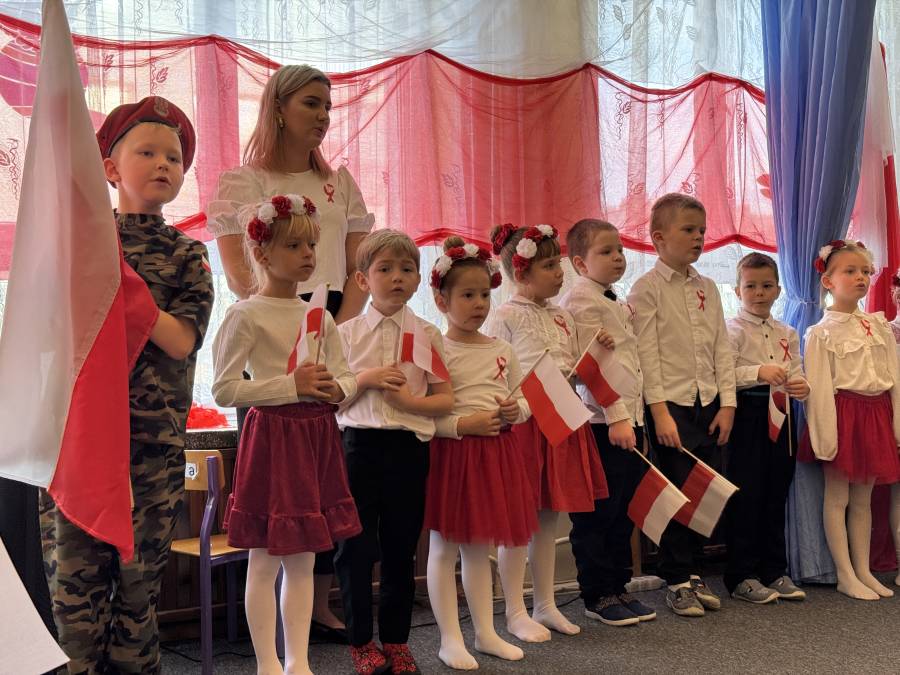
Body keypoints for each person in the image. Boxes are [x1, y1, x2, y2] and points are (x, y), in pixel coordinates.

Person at [39, 96, 214, 673]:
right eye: (147, 152)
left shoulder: (188, 255)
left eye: (174, 157)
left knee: (137, 597)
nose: (164, 163)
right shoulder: (77, 246)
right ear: (110, 169)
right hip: (79, 443)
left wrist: (127, 290)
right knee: (74, 596)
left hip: (150, 447)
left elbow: (182, 340)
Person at [207, 63, 374, 640]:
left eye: (328, 105)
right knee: (276, 489)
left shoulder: (339, 183)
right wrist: (288, 327)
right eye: (311, 103)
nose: (323, 116)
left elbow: (357, 268)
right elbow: (240, 273)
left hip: (329, 326)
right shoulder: (244, 181)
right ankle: (264, 625)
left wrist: (330, 330)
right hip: (271, 335)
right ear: (278, 108)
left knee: (324, 476)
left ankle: (315, 606)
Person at [212, 194, 362, 674]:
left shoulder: (319, 315)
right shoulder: (245, 314)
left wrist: (336, 389)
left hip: (316, 438)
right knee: (264, 558)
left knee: (304, 560)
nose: (307, 255)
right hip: (272, 440)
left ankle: (298, 662)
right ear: (261, 252)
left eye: (311, 245)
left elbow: (343, 377)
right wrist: (289, 386)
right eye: (294, 245)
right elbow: (225, 389)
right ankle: (267, 664)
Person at [334, 229, 454, 675]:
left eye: (407, 269)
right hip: (358, 448)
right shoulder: (344, 335)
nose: (397, 277)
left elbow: (445, 399)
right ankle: (360, 641)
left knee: (402, 547)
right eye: (385, 269)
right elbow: (328, 400)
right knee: (355, 548)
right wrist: (364, 380)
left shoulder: (427, 334)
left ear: (419, 279)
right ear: (363, 279)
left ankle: (397, 641)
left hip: (408, 448)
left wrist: (409, 403)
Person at [485, 223, 608, 641]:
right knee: (520, 520)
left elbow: (570, 368)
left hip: (560, 418)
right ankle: (514, 609)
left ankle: (545, 603)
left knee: (549, 517)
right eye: (549, 265)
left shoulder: (562, 316)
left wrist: (595, 354)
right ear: (521, 272)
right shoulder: (505, 315)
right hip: (523, 424)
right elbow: (497, 373)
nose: (559, 273)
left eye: (558, 264)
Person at [425, 236, 537, 670]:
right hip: (452, 456)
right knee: (444, 548)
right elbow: (422, 415)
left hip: (495, 454)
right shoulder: (437, 349)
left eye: (485, 295)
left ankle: (485, 632)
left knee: (478, 548)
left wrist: (514, 411)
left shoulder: (502, 349)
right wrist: (460, 426)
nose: (478, 304)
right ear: (442, 300)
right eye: (467, 296)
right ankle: (449, 639)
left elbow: (524, 401)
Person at [627, 193, 736, 618]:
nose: (698, 238)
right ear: (658, 238)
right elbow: (646, 355)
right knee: (675, 492)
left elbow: (721, 347)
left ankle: (694, 571)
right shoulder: (647, 288)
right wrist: (658, 412)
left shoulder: (707, 287)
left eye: (702, 231)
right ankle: (676, 578)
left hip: (707, 402)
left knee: (702, 493)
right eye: (688, 230)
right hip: (670, 406)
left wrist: (727, 405)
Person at [559, 219, 656, 626]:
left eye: (619, 250)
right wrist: (616, 417)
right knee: (598, 512)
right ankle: (597, 593)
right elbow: (588, 369)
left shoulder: (610, 298)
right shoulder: (582, 301)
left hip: (629, 419)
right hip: (603, 423)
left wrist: (635, 416)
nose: (617, 257)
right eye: (606, 251)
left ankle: (618, 585)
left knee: (622, 510)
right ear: (580, 263)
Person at [802, 239, 900, 600]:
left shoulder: (879, 326)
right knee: (838, 496)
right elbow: (818, 390)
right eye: (850, 271)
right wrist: (825, 438)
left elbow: (894, 379)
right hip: (844, 416)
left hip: (876, 415)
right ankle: (845, 574)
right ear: (828, 281)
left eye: (865, 271)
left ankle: (863, 570)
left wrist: (896, 425)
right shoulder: (821, 332)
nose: (861, 277)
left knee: (864, 498)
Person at [724, 252, 809, 603]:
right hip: (748, 414)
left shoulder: (787, 331)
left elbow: (796, 370)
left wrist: (802, 386)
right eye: (751, 286)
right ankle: (740, 575)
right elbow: (722, 375)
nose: (759, 293)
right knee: (748, 493)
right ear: (737, 290)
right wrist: (757, 372)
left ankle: (773, 569)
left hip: (783, 415)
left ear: (778, 290)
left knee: (777, 492)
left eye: (766, 286)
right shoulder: (730, 330)